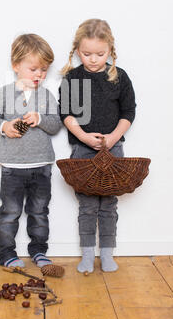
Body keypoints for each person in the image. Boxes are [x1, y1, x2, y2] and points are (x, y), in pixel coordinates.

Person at [58, 19, 136, 273]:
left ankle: (107, 253)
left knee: (109, 203)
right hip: (83, 151)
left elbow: (128, 112)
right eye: (86, 53)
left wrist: (112, 138)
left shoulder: (120, 77)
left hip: (113, 150)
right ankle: (88, 254)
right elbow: (66, 114)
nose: (93, 59)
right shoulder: (72, 77)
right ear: (77, 50)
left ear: (110, 51)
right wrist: (84, 137)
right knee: (88, 204)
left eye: (100, 54)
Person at [0, 33, 62, 269]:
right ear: (16, 65)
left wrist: (39, 118)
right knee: (9, 212)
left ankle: (39, 251)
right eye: (33, 69)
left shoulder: (47, 96)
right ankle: (6, 253)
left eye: (44, 70)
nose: (39, 75)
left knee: (39, 212)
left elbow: (55, 125)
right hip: (12, 166)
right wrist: (4, 127)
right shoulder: (4, 93)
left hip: (41, 165)